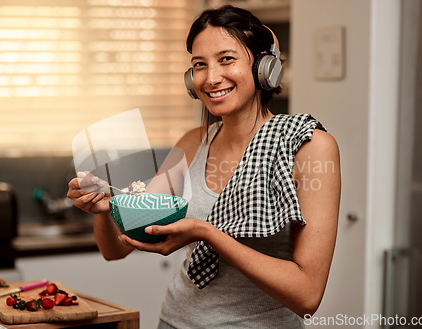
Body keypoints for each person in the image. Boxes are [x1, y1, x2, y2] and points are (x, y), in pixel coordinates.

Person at [67, 5, 341, 329]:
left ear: (265, 68)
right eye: (199, 65)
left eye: (226, 59)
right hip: (174, 321)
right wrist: (105, 210)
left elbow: (307, 295)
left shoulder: (309, 147)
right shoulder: (191, 144)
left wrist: (206, 233)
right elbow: (116, 249)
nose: (211, 78)